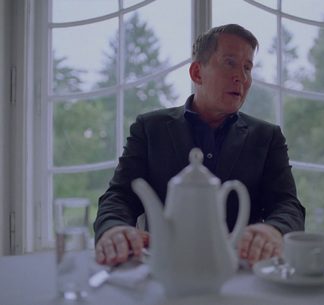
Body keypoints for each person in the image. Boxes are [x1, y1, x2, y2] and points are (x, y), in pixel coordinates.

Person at [94, 24, 305, 267]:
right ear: (197, 73)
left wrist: (274, 231)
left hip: (241, 271)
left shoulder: (268, 137)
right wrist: (114, 229)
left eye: (247, 67)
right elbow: (119, 196)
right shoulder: (149, 128)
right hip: (164, 269)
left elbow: (288, 205)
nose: (242, 77)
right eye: (230, 63)